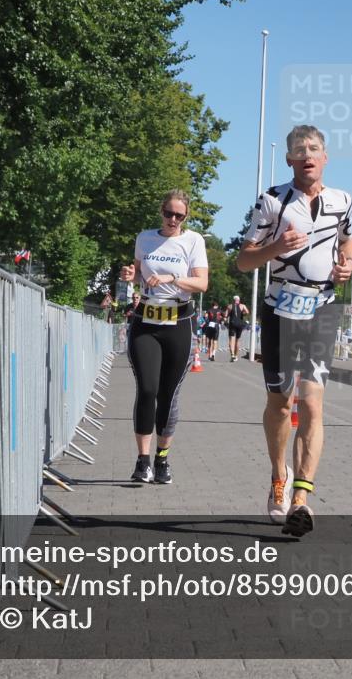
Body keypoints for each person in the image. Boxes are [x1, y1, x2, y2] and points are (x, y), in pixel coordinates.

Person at [236, 125, 352, 536]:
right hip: (279, 309)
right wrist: (275, 249)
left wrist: (348, 265)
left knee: (313, 404)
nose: (307, 155)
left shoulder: (343, 200)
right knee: (281, 405)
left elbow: (348, 241)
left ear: (325, 157)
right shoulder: (272, 200)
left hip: (321, 308)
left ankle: (302, 500)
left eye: (315, 149)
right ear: (289, 159)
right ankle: (278, 475)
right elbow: (244, 261)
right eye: (299, 150)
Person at [119, 189, 208, 484]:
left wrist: (173, 278)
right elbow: (138, 272)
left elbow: (202, 282)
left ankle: (162, 459)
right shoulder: (145, 238)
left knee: (168, 394)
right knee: (147, 389)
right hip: (146, 320)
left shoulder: (193, 241)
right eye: (168, 213)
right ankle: (142, 460)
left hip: (178, 322)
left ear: (186, 218)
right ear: (161, 211)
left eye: (179, 216)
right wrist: (131, 274)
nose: (172, 219)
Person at [225, 295, 249, 362]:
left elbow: (226, 315)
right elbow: (247, 312)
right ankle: (236, 356)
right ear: (239, 300)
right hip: (240, 324)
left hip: (232, 323)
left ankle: (232, 355)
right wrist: (242, 313)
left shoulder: (230, 306)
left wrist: (225, 319)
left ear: (233, 300)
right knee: (238, 340)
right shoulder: (242, 306)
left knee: (231, 340)